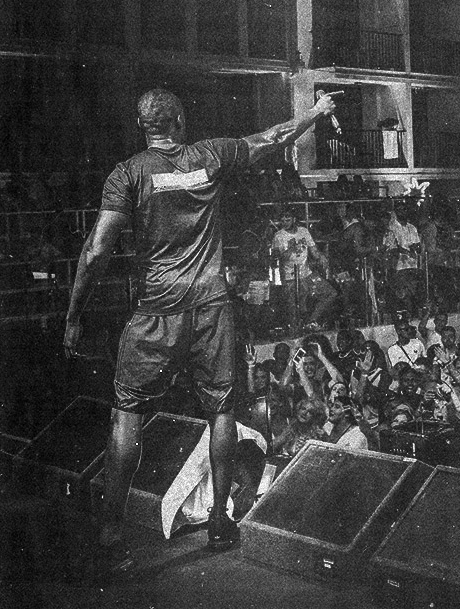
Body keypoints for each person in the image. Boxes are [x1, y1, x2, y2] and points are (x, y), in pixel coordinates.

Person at [63, 87, 338, 573]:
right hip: (211, 307)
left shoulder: (127, 173)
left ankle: (110, 537)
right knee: (221, 410)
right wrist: (315, 112)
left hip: (157, 310)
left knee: (126, 414)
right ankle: (219, 522)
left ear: (143, 126)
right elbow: (272, 137)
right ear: (180, 121)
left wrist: (73, 314)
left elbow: (96, 251)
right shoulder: (208, 155)